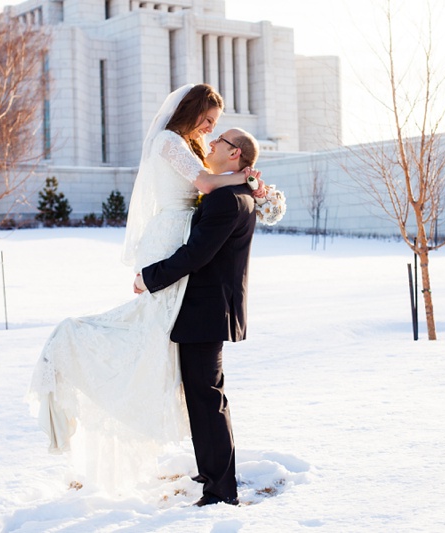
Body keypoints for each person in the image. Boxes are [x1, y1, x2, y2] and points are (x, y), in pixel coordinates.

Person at [26, 84, 267, 493]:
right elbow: (206, 186)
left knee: (193, 384)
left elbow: (208, 205)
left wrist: (246, 182)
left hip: (189, 272)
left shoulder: (207, 167)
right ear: (191, 110)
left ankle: (218, 481)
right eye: (208, 121)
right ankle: (214, 474)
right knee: (173, 365)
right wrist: (243, 179)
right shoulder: (170, 142)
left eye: (215, 128)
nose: (209, 131)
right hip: (172, 249)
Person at [133, 127, 260, 507]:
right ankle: (211, 471)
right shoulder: (236, 193)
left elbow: (195, 255)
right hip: (208, 310)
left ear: (234, 154)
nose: (212, 143)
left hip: (206, 311)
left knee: (207, 400)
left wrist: (148, 277)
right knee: (204, 398)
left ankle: (221, 491)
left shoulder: (227, 200)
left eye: (220, 140)